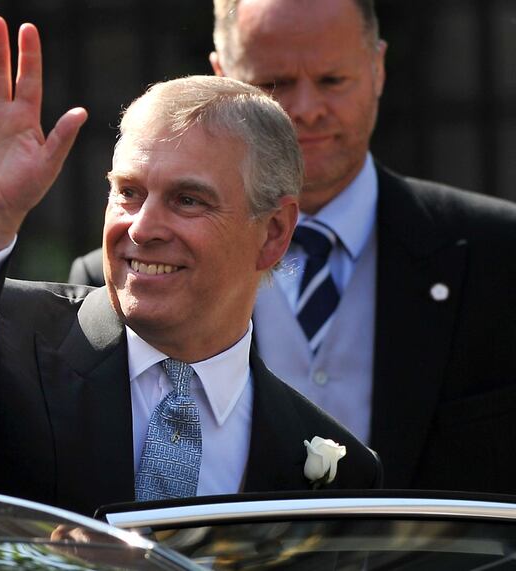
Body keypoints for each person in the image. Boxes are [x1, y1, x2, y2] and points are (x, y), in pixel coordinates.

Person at [0, 15, 381, 517]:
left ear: (273, 233)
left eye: (188, 200)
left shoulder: (336, 474)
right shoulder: (0, 341)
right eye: (127, 193)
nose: (143, 227)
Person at [68, 0, 516, 495]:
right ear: (222, 76)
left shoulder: (497, 255)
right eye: (274, 85)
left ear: (378, 69)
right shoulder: (121, 280)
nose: (305, 109)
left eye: (331, 80)